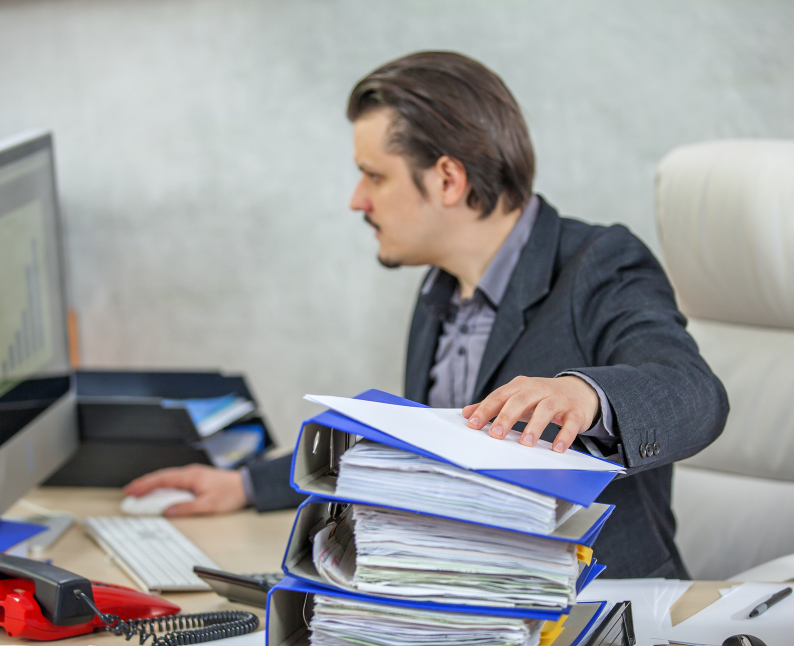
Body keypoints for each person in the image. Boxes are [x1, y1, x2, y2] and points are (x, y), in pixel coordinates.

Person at [125, 51, 728, 579]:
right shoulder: (440, 289)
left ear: (446, 178)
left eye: (373, 175)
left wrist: (584, 394)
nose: (356, 199)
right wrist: (244, 485)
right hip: (466, 598)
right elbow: (423, 439)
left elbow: (693, 391)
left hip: (597, 601)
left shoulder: (599, 263)